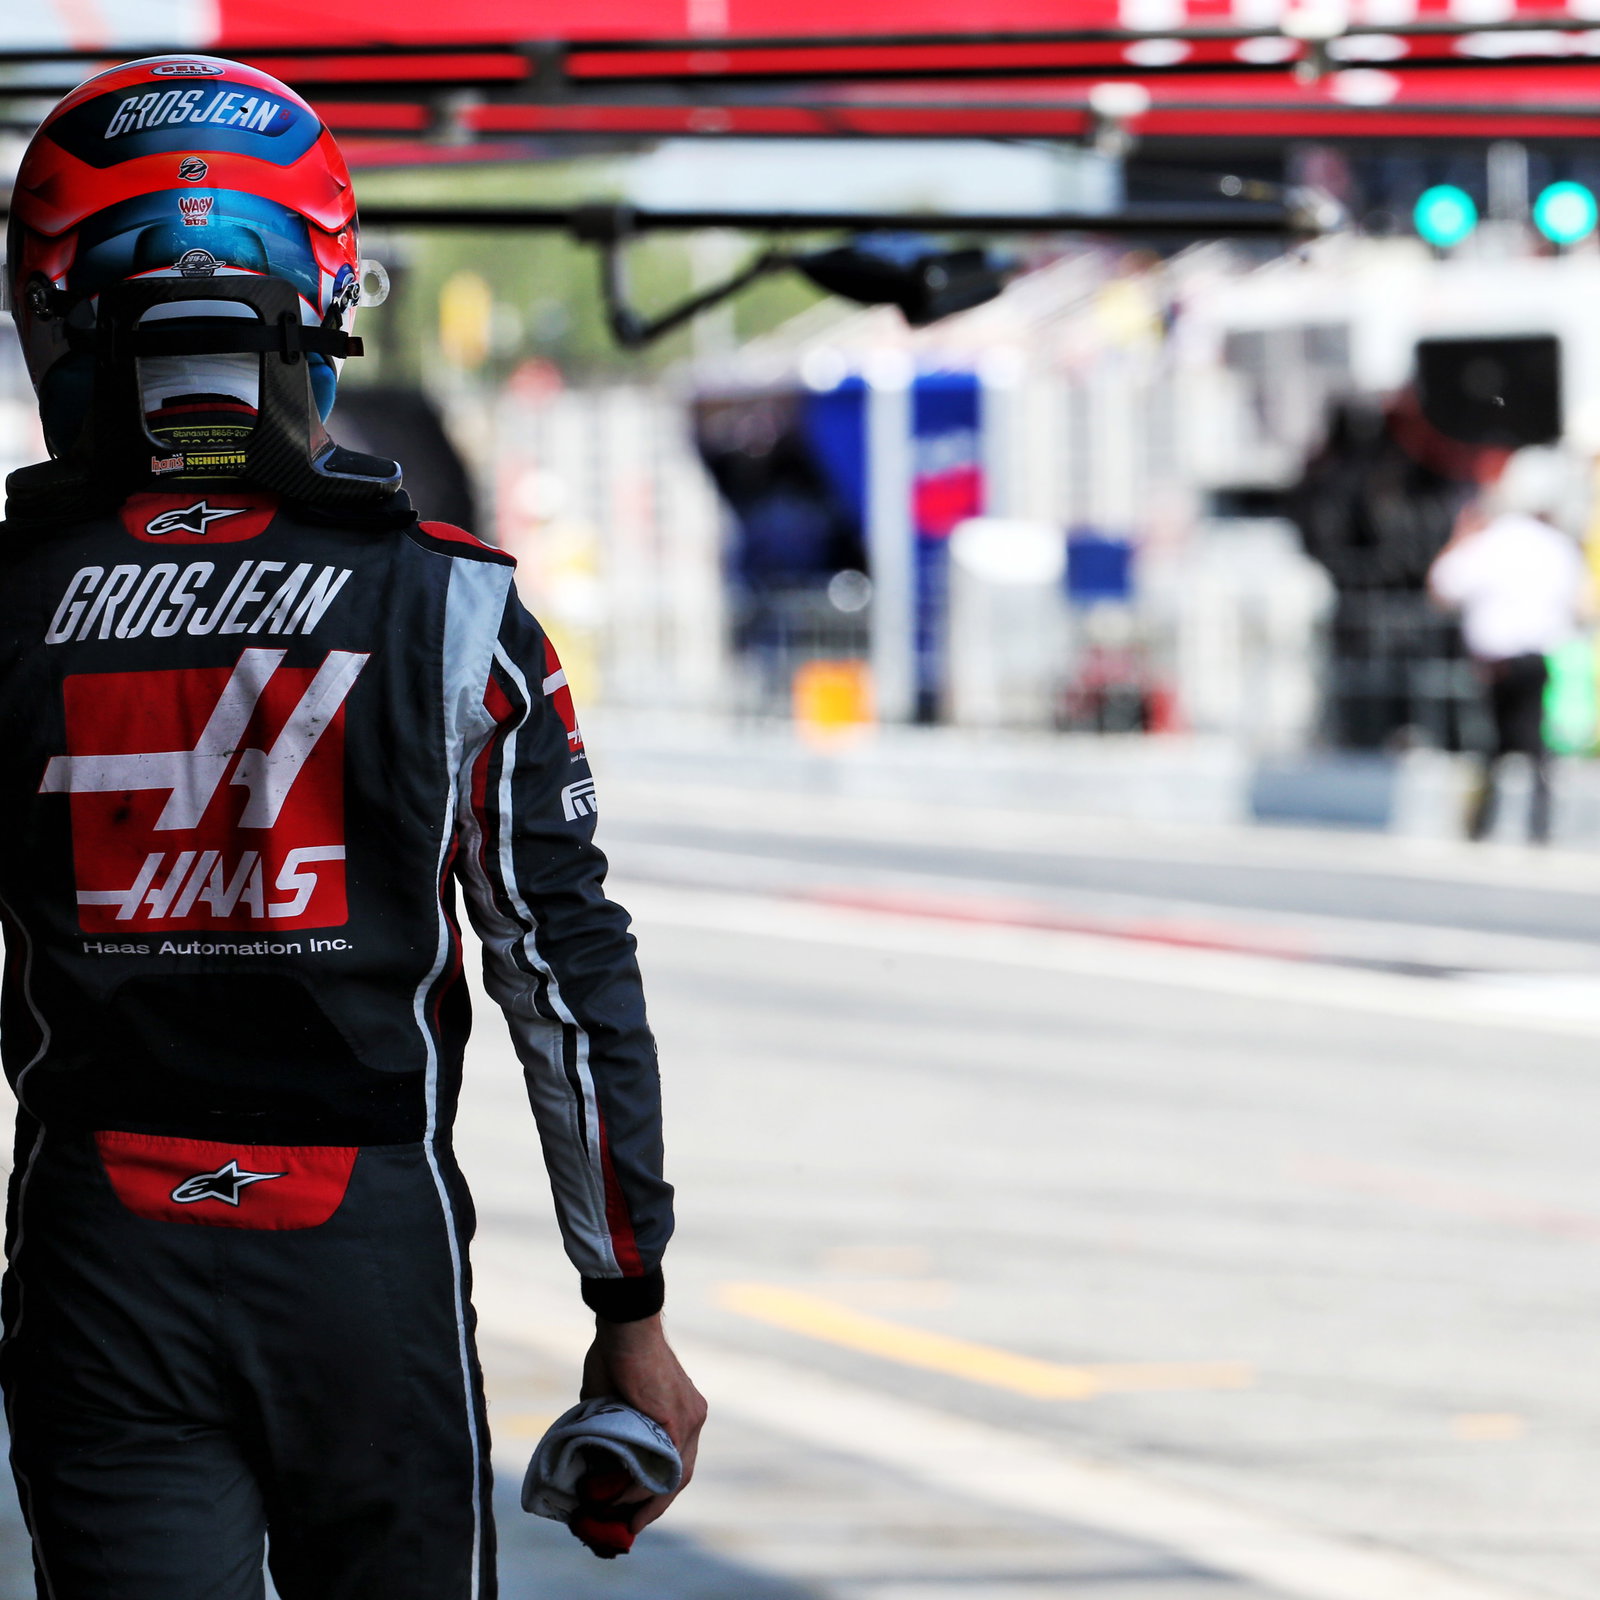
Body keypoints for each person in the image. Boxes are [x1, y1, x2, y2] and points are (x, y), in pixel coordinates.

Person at [0, 55, 703, 1598]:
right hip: (363, 1250)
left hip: (96, 1248)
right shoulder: (459, 611)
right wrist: (629, 1307)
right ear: (322, 296)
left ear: (55, 311)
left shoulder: (7, 600)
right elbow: (565, 978)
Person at [1428, 447, 1593, 844]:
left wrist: (1460, 539)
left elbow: (1443, 587)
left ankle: (1481, 824)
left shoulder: (1490, 541)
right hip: (1539, 655)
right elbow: (1582, 603)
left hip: (1496, 659)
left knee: (1490, 743)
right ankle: (1540, 826)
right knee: (1536, 743)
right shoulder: (1558, 545)